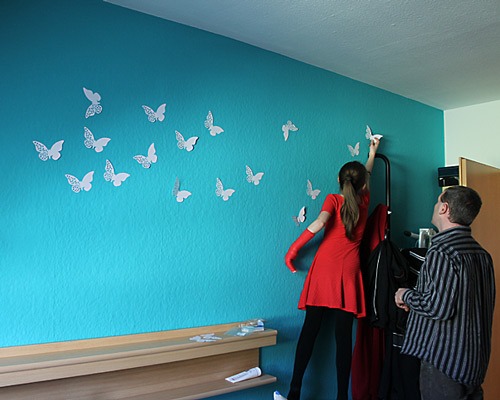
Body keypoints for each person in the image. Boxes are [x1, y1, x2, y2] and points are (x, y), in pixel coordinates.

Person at [275, 138, 380, 400]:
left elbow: (319, 223)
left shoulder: (333, 199)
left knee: (309, 332)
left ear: (338, 179)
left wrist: (293, 250)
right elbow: (366, 174)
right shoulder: (365, 200)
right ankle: (342, 396)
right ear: (362, 185)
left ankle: (294, 392)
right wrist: (372, 153)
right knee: (343, 339)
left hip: (324, 270)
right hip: (348, 272)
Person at [395, 186, 495, 400]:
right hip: (474, 363)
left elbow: (437, 307)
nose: (435, 205)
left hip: (445, 363)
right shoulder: (482, 254)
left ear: (444, 208)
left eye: (437, 201)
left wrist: (405, 295)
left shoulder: (442, 250)